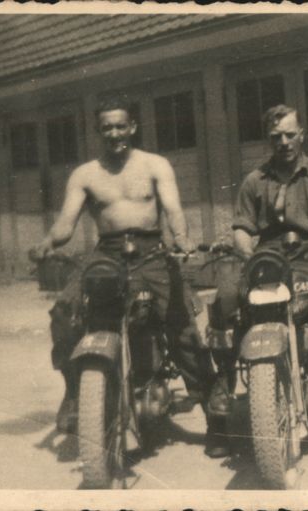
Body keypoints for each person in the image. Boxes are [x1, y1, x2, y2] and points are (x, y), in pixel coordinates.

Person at [30, 96, 229, 457]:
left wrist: (181, 239)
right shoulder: (85, 174)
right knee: (64, 313)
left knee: (181, 327)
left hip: (153, 254)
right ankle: (76, 391)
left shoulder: (155, 165)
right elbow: (65, 223)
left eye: (121, 126)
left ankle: (214, 417)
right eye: (107, 127)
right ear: (98, 132)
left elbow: (173, 210)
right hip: (106, 255)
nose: (114, 133)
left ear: (133, 127)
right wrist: (47, 243)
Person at [209, 104, 308, 446]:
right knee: (228, 301)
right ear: (269, 139)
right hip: (266, 256)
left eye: (290, 134)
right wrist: (246, 254)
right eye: (276, 136)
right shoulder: (255, 180)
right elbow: (241, 227)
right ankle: (224, 380)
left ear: (302, 135)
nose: (284, 142)